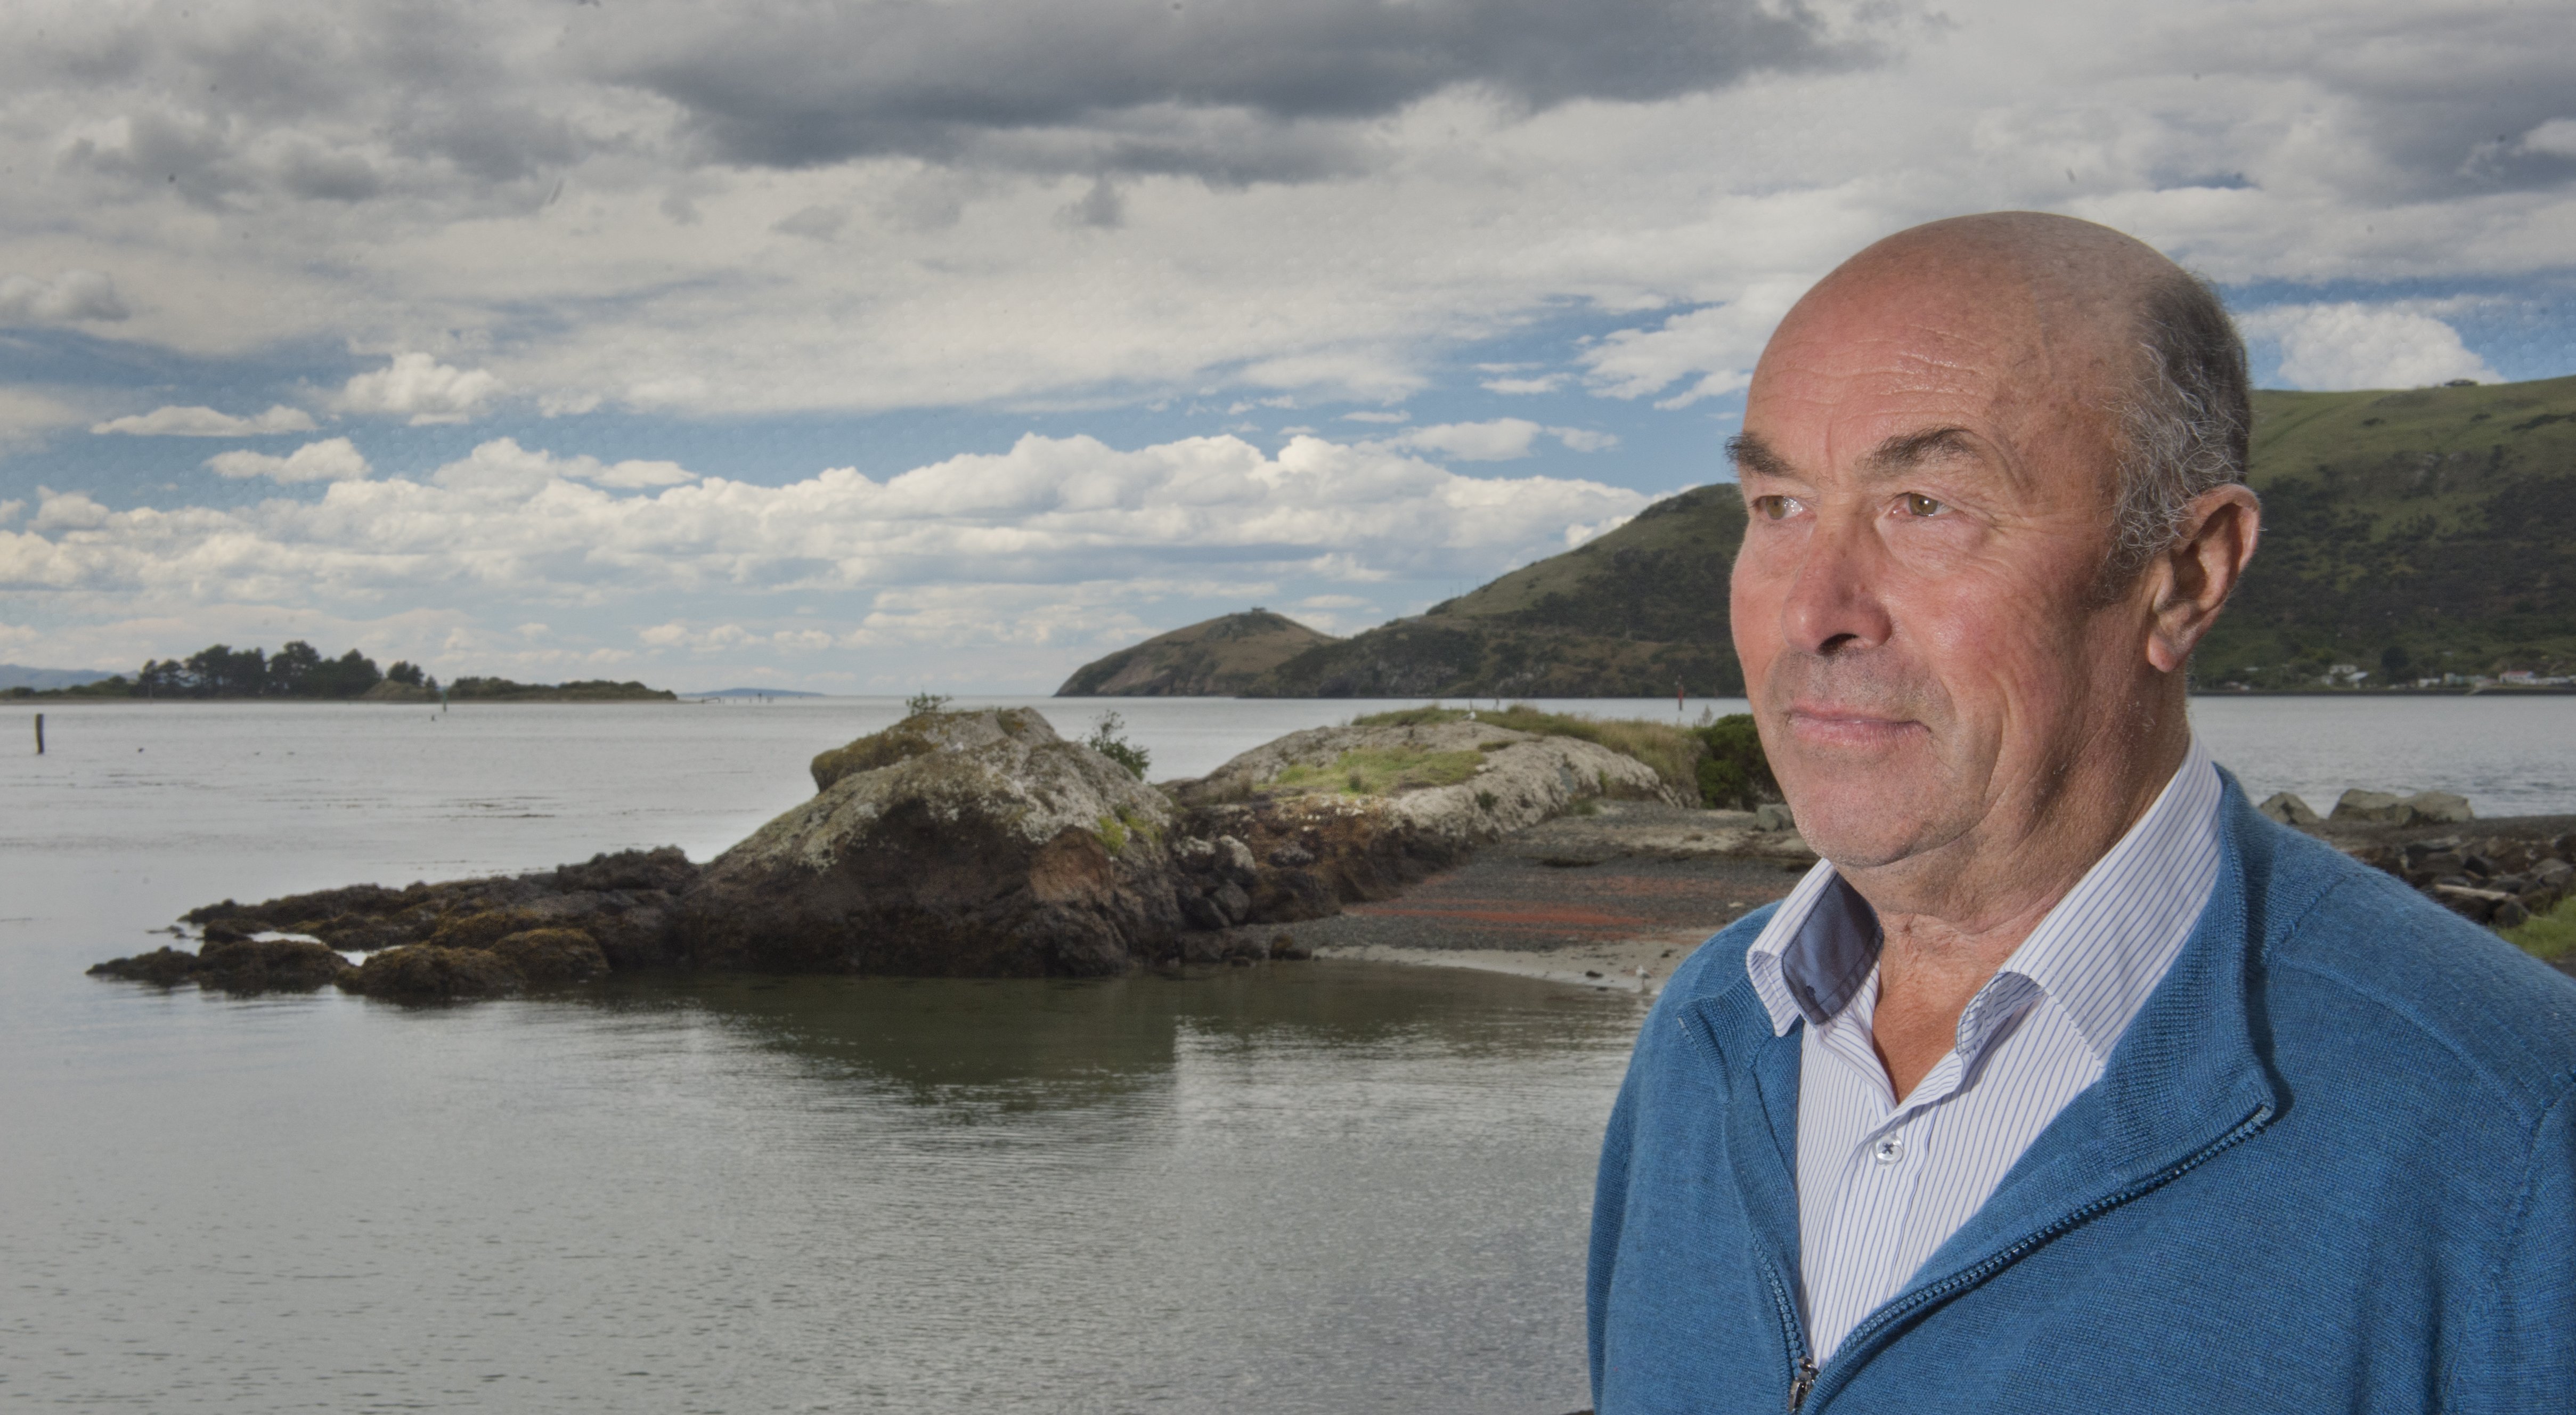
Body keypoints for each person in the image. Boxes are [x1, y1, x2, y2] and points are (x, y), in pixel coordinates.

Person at [1586, 213, 2576, 1413]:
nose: (1816, 611)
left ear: (2188, 574)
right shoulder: (1703, 1033)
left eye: (1926, 503)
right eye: (1779, 504)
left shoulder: (2516, 1132)